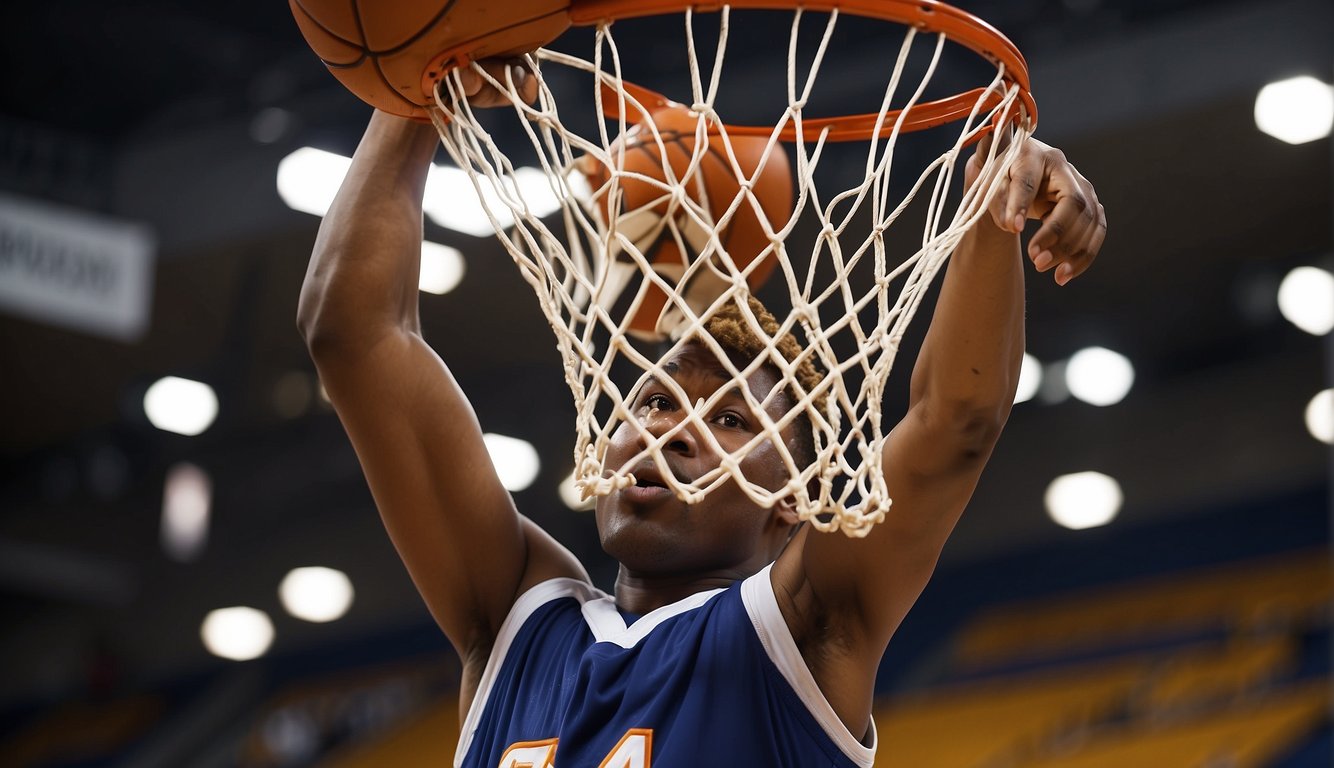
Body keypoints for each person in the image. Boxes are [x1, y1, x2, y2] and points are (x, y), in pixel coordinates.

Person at [297, 61, 1105, 767]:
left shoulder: (801, 631)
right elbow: (353, 333)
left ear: (795, 495)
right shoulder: (519, 619)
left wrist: (997, 215)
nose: (670, 427)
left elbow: (955, 421)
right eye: (652, 399)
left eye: (728, 420)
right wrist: (408, 94)